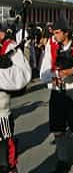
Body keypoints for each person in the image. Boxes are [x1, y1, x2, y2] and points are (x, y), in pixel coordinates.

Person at [40, 15, 73, 172]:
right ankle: (62, 160)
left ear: (66, 33)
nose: (55, 36)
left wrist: (71, 71)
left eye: (58, 32)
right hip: (57, 92)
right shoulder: (51, 47)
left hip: (72, 91)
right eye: (54, 33)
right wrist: (52, 78)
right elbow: (44, 72)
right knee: (58, 129)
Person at [0, 22, 31, 173]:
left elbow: (24, 75)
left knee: (5, 160)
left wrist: (2, 71)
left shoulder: (11, 48)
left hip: (1, 115)